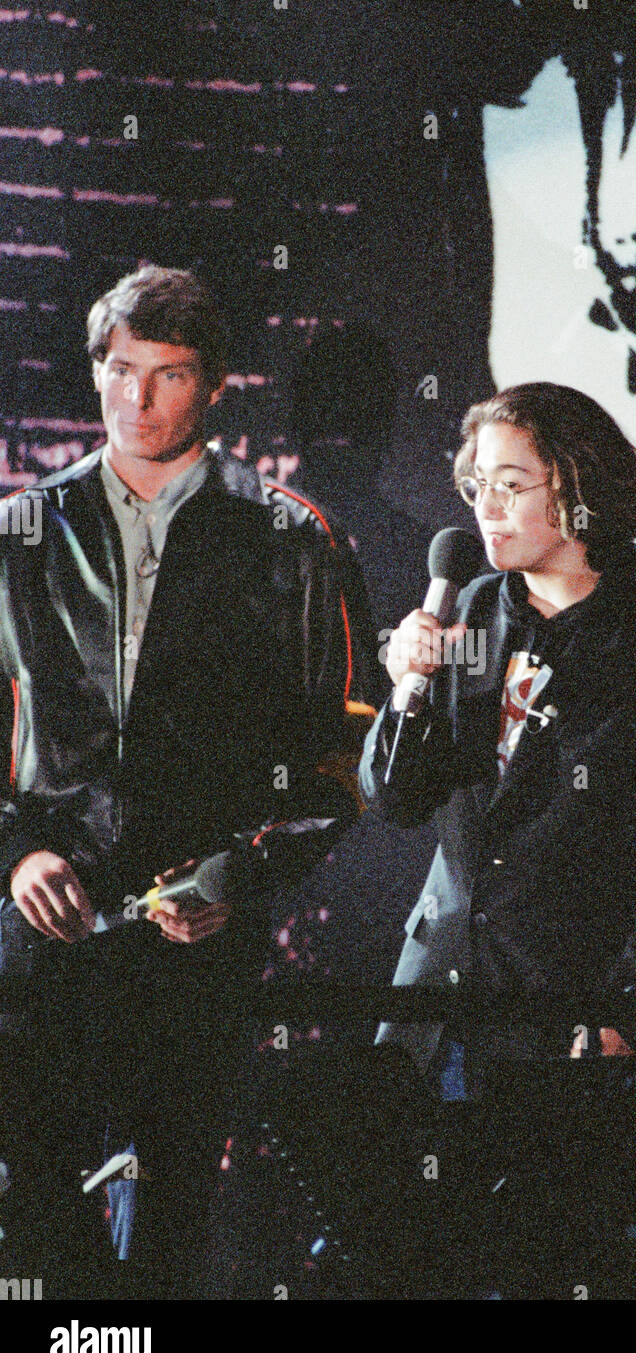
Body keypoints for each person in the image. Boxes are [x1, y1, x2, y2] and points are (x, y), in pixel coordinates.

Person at [0, 264, 375, 1297]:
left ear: (215, 388)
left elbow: (340, 753)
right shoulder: (18, 535)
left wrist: (239, 875)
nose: (137, 398)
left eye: (167, 376)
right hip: (39, 938)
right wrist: (17, 850)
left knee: (171, 1220)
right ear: (95, 370)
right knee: (34, 1205)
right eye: (121, 371)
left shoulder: (295, 539)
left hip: (197, 941)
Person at [359, 381, 636, 1296]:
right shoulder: (469, 607)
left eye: (512, 483)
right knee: (402, 1251)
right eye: (475, 486)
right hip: (435, 987)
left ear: (576, 491)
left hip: (560, 997)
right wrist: (406, 689)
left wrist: (631, 1000)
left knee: (537, 1258)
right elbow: (394, 800)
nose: (487, 507)